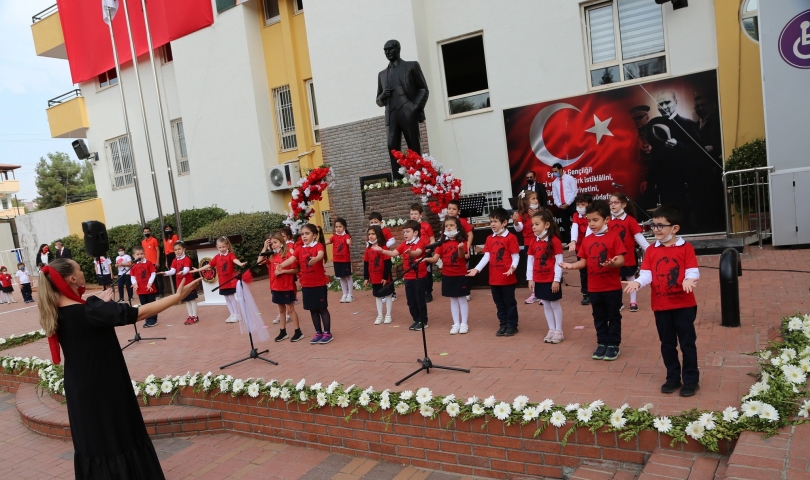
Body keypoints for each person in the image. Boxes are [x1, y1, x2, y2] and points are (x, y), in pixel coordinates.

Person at [38, 257, 200, 479]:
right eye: (80, 268)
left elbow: (90, 317)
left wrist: (102, 304)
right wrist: (177, 297)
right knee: (118, 439)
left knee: (94, 444)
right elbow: (138, 313)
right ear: (72, 278)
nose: (83, 271)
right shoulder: (90, 311)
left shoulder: (56, 310)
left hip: (79, 388)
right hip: (103, 387)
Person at [624, 205, 700, 397]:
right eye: (653, 226)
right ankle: (672, 377)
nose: (656, 229)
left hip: (684, 305)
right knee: (667, 344)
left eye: (660, 225)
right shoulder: (651, 250)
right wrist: (638, 283)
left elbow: (692, 269)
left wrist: (690, 279)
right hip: (661, 305)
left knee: (687, 343)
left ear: (674, 228)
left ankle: (691, 380)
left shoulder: (686, 247)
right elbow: (647, 274)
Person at [560, 200, 626, 361]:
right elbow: (583, 261)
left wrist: (613, 263)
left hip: (612, 287)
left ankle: (613, 344)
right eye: (589, 220)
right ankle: (602, 343)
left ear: (607, 220)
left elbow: (622, 259)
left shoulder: (614, 237)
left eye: (595, 220)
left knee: (613, 316)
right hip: (594, 288)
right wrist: (572, 266)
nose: (591, 224)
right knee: (599, 317)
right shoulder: (587, 240)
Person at [645, 91, 704, 229]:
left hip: (686, 182)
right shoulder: (654, 127)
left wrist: (679, 145)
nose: (664, 106)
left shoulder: (688, 125)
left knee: (685, 217)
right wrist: (650, 181)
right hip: (664, 183)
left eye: (667, 102)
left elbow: (700, 151)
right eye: (661, 104)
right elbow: (654, 156)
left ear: (675, 103)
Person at [376, 39, 429, 176]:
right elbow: (378, 101)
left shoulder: (411, 66)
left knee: (413, 145)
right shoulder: (382, 74)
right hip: (391, 114)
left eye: (390, 49)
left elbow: (423, 89)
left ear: (398, 49)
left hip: (407, 111)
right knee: (392, 146)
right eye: (385, 50)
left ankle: (418, 176)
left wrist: (414, 108)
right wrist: (383, 95)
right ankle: (398, 179)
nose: (387, 52)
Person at [467, 207, 520, 337]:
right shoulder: (490, 238)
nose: (492, 224)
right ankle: (503, 324)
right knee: (499, 303)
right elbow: (487, 256)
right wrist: (476, 269)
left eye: (495, 221)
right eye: (491, 221)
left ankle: (512, 325)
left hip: (507, 278)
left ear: (504, 223)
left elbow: (516, 256)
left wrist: (512, 267)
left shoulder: (511, 237)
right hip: (494, 278)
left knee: (509, 303)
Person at [278, 224, 333, 344]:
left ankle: (327, 332)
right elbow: (292, 259)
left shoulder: (318, 246)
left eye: (307, 233)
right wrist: (282, 265)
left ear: (314, 235)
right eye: (302, 234)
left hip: (318, 284)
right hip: (306, 285)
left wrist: (316, 259)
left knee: (322, 309)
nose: (304, 236)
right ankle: (318, 332)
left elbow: (321, 254)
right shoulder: (299, 249)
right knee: (312, 310)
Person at [373, 219, 428, 331]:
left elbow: (418, 252)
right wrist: (382, 251)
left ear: (416, 232)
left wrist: (410, 253)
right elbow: (393, 253)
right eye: (404, 232)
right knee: (411, 300)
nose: (405, 234)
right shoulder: (404, 244)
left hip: (419, 276)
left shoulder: (420, 242)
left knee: (419, 300)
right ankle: (416, 319)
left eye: (407, 231)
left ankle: (423, 321)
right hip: (408, 277)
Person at [425, 217, 470, 334]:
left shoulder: (462, 242)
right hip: (447, 274)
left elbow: (462, 257)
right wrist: (423, 259)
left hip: (460, 274)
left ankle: (464, 323)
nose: (449, 227)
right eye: (446, 226)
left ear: (457, 227)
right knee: (453, 300)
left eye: (451, 225)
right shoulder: (442, 243)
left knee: (462, 299)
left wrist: (460, 248)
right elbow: (435, 258)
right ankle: (456, 323)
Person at [527, 210, 564, 343]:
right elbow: (530, 261)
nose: (534, 227)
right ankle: (551, 329)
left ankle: (559, 330)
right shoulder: (533, 242)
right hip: (539, 279)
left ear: (547, 224)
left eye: (537, 224)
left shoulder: (555, 241)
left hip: (551, 279)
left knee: (554, 304)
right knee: (546, 304)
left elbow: (559, 262)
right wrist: (530, 278)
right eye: (533, 225)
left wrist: (556, 280)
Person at [608, 193, 650, 312]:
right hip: (614, 257)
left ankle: (633, 302)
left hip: (628, 256)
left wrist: (649, 249)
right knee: (616, 280)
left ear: (624, 204)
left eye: (616, 202)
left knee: (631, 278)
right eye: (610, 203)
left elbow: (639, 237)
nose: (612, 205)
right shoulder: (607, 220)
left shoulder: (630, 220)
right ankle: (618, 302)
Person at [191, 237, 246, 324]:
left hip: (230, 281)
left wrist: (240, 263)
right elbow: (209, 264)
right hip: (222, 282)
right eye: (220, 247)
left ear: (227, 246)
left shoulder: (230, 255)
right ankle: (232, 314)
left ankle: (237, 314)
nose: (222, 249)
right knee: (226, 298)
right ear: (217, 247)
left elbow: (235, 260)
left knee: (231, 297)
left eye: (223, 247)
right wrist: (198, 270)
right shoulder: (217, 257)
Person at [262, 233, 303, 342]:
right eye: (272, 244)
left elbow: (296, 270)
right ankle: (283, 331)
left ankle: (298, 331)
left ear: (281, 242)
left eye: (275, 242)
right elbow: (259, 261)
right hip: (275, 286)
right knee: (281, 310)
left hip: (286, 286)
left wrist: (283, 271)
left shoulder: (288, 255)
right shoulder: (271, 256)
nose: (274, 245)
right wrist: (265, 247)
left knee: (290, 309)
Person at [512, 190, 543, 304]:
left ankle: (543, 293)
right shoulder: (522, 214)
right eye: (533, 199)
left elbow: (546, 225)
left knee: (541, 267)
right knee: (531, 267)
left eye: (536, 198)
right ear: (526, 201)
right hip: (529, 244)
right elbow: (519, 228)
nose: (536, 201)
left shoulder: (541, 212)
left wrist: (536, 216)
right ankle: (535, 293)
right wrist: (515, 222)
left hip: (541, 243)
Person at [162, 241, 200, 325]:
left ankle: (195, 316)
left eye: (179, 249)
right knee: (186, 300)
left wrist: (182, 272)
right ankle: (190, 315)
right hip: (180, 284)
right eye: (175, 250)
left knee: (192, 299)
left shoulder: (187, 259)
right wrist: (165, 273)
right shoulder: (174, 260)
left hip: (188, 283)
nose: (177, 251)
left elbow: (186, 269)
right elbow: (172, 271)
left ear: (184, 249)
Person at [363, 225, 393, 324]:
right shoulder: (368, 249)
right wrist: (366, 277)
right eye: (369, 234)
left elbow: (388, 263)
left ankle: (388, 314)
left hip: (383, 277)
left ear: (378, 235)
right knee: (377, 296)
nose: (370, 236)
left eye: (373, 234)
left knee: (388, 295)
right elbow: (366, 264)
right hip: (374, 277)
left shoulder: (383, 247)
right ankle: (380, 315)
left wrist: (385, 277)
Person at [446, 200, 475, 302]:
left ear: (458, 211)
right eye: (449, 208)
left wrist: (467, 249)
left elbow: (470, 234)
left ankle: (466, 292)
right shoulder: (446, 222)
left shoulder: (462, 221)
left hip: (462, 249)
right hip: (451, 252)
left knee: (464, 272)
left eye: (454, 209)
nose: (451, 211)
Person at [569, 194, 594, 305]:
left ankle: (594, 291)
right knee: (583, 272)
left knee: (592, 270)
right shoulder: (576, 215)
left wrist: (586, 243)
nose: (580, 207)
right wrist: (573, 240)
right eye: (578, 204)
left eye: (583, 204)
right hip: (579, 248)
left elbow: (590, 229)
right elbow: (574, 227)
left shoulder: (592, 215)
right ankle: (585, 293)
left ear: (589, 205)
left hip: (591, 247)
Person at [409, 204, 436, 302]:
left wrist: (430, 248)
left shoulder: (426, 226)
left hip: (426, 253)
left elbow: (432, 239)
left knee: (427, 273)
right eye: (411, 214)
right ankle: (419, 291)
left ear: (421, 214)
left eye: (415, 214)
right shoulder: (410, 227)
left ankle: (428, 292)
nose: (413, 216)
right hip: (415, 252)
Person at [369, 212, 397, 301]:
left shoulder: (385, 230)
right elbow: (368, 243)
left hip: (384, 255)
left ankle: (392, 292)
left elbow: (392, 240)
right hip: (375, 257)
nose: (373, 224)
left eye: (375, 221)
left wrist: (384, 247)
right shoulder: (371, 233)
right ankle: (382, 293)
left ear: (381, 222)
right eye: (371, 222)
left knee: (388, 275)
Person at [326, 218, 354, 303]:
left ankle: (350, 294)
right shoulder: (334, 237)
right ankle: (344, 294)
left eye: (340, 227)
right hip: (336, 260)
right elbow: (328, 241)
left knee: (348, 276)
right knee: (341, 277)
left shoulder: (346, 236)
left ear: (344, 228)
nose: (338, 228)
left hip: (345, 260)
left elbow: (348, 241)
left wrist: (349, 242)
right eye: (336, 227)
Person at [129, 246, 158, 328]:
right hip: (140, 289)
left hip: (149, 289)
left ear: (144, 254)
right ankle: (147, 319)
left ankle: (153, 319)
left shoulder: (148, 263)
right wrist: (134, 283)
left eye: (141, 254)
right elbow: (132, 276)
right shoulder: (134, 265)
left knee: (151, 304)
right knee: (144, 305)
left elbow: (153, 273)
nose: (140, 256)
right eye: (137, 254)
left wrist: (149, 283)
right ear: (133, 255)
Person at [551, 163, 578, 243]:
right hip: (561, 206)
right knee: (565, 224)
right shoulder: (554, 183)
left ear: (561, 169)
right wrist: (559, 205)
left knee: (575, 222)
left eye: (555, 171)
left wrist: (568, 203)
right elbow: (555, 196)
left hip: (571, 204)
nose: (554, 173)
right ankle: (569, 241)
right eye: (553, 172)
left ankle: (576, 239)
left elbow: (574, 192)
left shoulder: (570, 178)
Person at [141, 227, 163, 297]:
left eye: (148, 231)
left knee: (158, 278)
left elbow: (158, 250)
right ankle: (156, 292)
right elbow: (143, 252)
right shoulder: (143, 242)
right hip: (147, 263)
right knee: (152, 279)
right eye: (145, 231)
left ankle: (161, 292)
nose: (146, 232)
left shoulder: (154, 240)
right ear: (143, 233)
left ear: (150, 232)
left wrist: (157, 261)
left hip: (154, 262)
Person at [163, 224, 179, 291]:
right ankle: (176, 290)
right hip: (168, 256)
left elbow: (177, 247)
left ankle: (179, 288)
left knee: (177, 272)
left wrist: (177, 257)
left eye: (169, 228)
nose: (168, 230)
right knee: (172, 273)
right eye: (166, 229)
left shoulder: (174, 236)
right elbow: (166, 251)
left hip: (174, 255)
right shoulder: (165, 239)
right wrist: (166, 260)